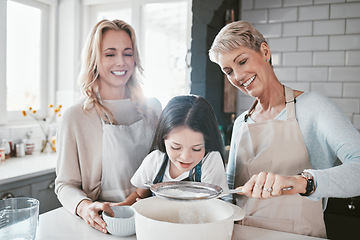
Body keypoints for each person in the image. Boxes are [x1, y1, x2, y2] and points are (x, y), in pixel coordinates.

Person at [208, 20, 360, 238]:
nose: (238, 76)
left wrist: (300, 182)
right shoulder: (242, 122)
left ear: (264, 51)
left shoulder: (312, 108)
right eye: (228, 71)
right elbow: (230, 194)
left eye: (242, 61)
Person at [54, 19, 161, 234]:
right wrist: (84, 208)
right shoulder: (75, 116)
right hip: (103, 223)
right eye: (110, 54)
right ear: (94, 59)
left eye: (128, 53)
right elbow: (65, 184)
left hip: (151, 219)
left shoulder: (153, 108)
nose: (121, 62)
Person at [117, 95, 228, 205]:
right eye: (176, 147)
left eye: (196, 149)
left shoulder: (210, 161)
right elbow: (140, 195)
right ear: (163, 138)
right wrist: (120, 206)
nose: (186, 157)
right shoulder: (155, 160)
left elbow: (213, 207)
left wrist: (159, 209)